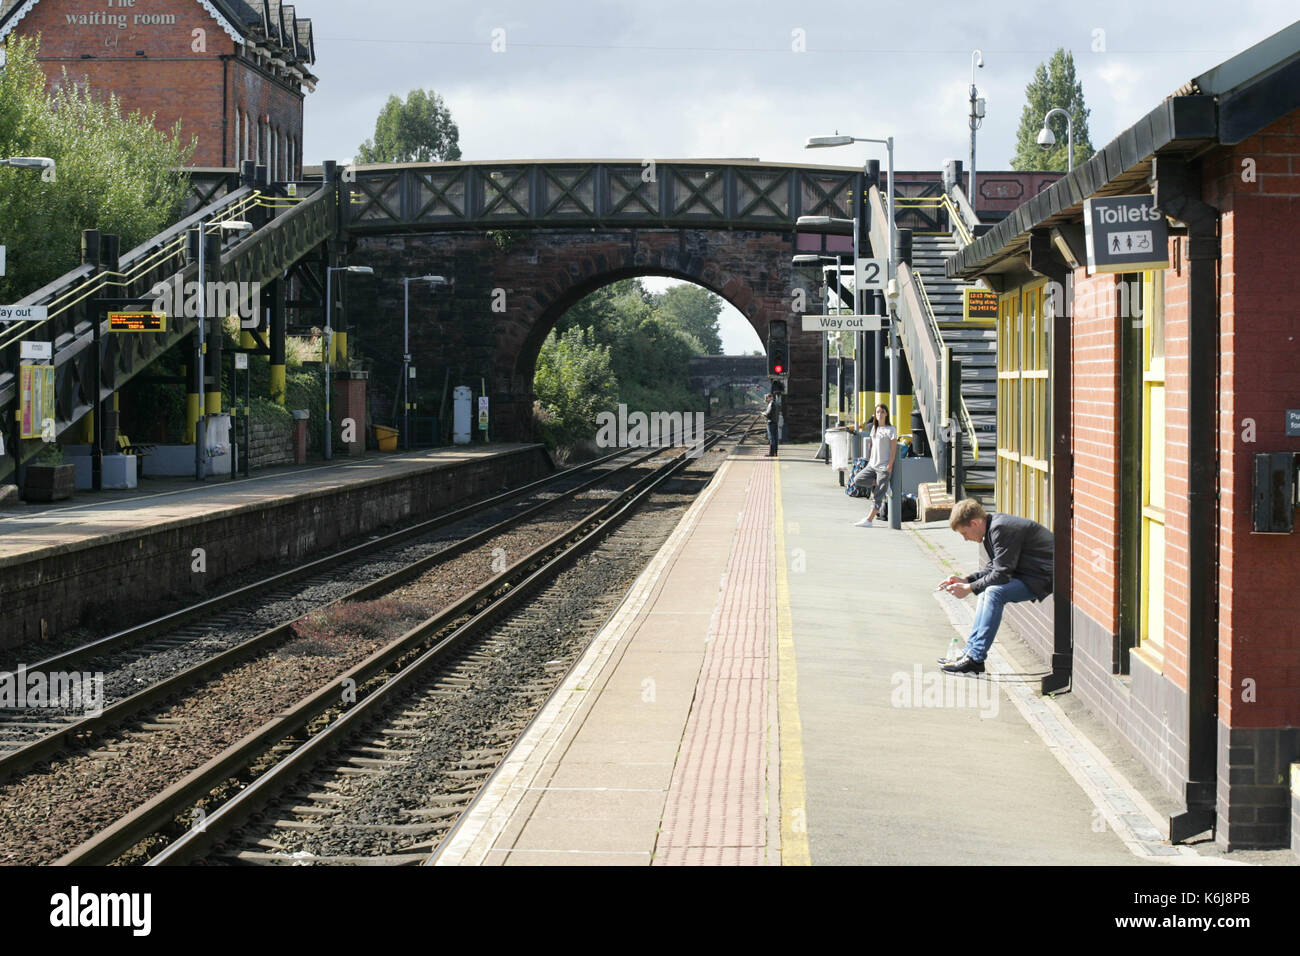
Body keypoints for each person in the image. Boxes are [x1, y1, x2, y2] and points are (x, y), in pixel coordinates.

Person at [937, 499, 1054, 674]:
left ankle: (975, 658)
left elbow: (1001, 574)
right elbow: (995, 567)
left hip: (1043, 576)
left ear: (975, 523)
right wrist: (966, 580)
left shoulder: (1000, 529)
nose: (965, 539)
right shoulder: (993, 528)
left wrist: (969, 589)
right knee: (988, 592)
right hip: (1029, 574)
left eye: (964, 533)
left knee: (993, 592)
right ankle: (970, 652)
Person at [853, 404, 896, 527]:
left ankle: (869, 520)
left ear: (886, 414)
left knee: (878, 495)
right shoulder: (874, 429)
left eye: (882, 412)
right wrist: (870, 461)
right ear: (875, 415)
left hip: (883, 467)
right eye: (877, 412)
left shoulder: (891, 429)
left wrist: (890, 465)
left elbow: (893, 450)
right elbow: (873, 446)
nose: (880, 414)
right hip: (872, 465)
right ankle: (883, 484)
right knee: (858, 479)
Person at [763, 392, 779, 457]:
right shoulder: (776, 403)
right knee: (775, 438)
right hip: (775, 422)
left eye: (767, 398)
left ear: (770, 398)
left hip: (771, 423)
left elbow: (768, 414)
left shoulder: (771, 404)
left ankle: (772, 453)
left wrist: (764, 414)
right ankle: (775, 453)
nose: (766, 400)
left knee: (771, 438)